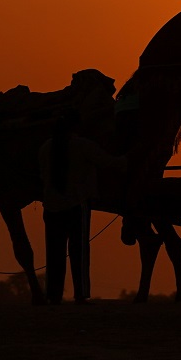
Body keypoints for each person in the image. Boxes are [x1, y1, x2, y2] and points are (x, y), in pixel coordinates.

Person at [38, 111, 127, 304]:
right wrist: (127, 160)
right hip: (76, 205)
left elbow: (42, 175)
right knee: (79, 252)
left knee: (54, 252)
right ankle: (81, 293)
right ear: (76, 128)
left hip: (51, 206)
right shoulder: (83, 145)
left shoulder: (46, 147)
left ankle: (53, 295)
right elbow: (107, 162)